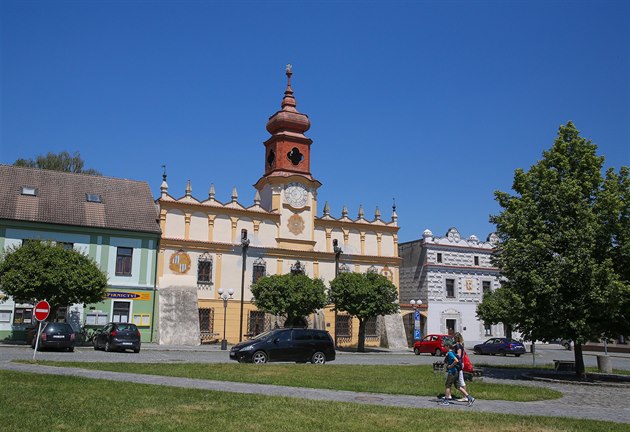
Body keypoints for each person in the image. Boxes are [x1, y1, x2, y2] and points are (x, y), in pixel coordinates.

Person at [440, 342, 475, 407]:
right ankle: (470, 398)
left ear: (448, 346)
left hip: (452, 372)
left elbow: (456, 360)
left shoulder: (450, 353)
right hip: (456, 372)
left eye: (445, 346)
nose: (444, 348)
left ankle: (446, 401)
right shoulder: (452, 352)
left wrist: (450, 366)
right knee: (458, 386)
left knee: (448, 385)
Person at [453, 333, 469, 402]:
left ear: (457, 338)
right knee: (460, 379)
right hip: (460, 363)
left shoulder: (458, 345)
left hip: (459, 364)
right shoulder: (459, 344)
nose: (453, 339)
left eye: (454, 338)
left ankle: (466, 396)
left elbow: (459, 355)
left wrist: (452, 355)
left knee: (461, 380)